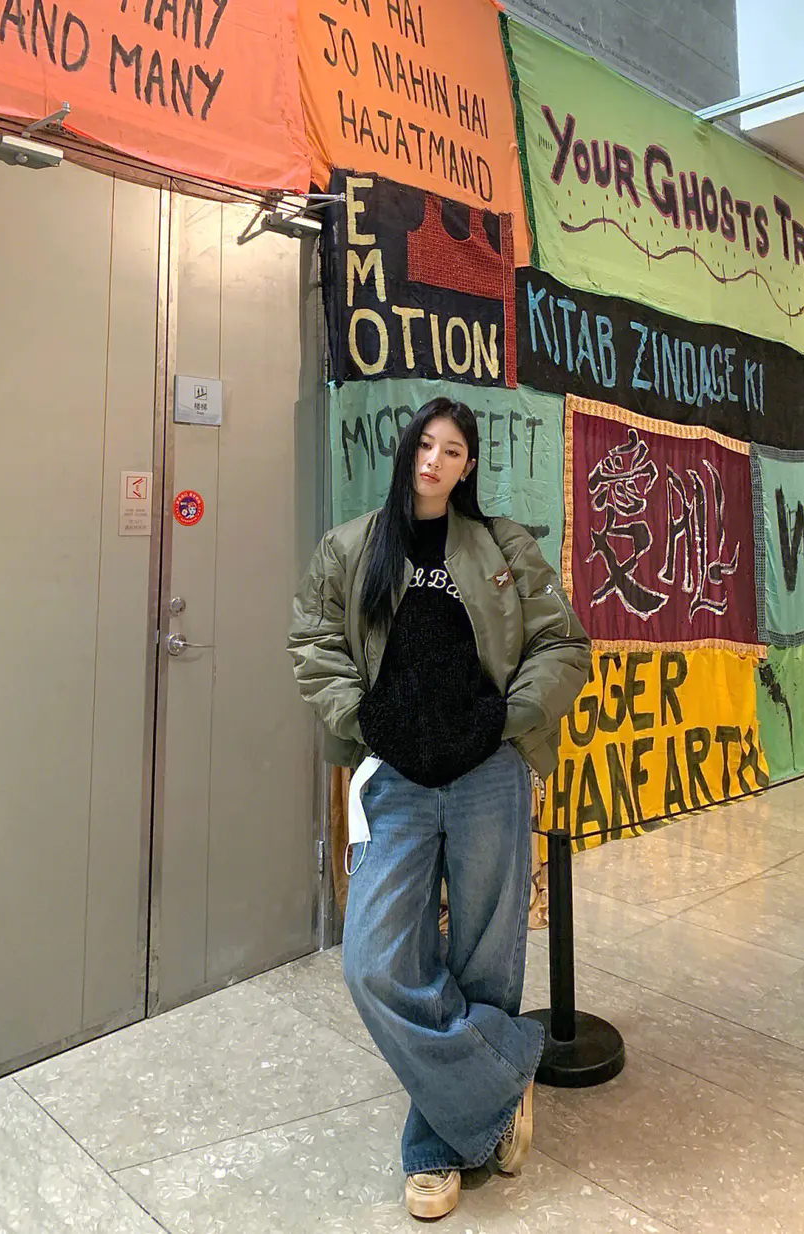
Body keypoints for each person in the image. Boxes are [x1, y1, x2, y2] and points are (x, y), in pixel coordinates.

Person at [287, 397, 590, 1220]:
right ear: (406, 450)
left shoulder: (504, 546)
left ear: (468, 466)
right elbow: (312, 644)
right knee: (376, 962)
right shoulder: (351, 548)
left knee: (486, 955)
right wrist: (367, 719)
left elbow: (563, 645)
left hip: (489, 772)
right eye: (425, 444)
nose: (434, 461)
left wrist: (502, 720)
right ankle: (505, 1070)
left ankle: (435, 1144)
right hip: (396, 777)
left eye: (452, 451)